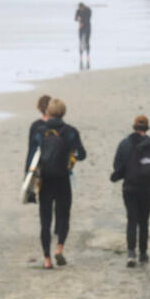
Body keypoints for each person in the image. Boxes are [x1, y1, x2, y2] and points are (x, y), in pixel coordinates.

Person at [110, 115, 150, 268]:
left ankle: (131, 254)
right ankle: (143, 253)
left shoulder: (124, 144)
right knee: (144, 221)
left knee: (131, 219)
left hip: (129, 188)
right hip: (147, 188)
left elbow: (116, 166)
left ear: (134, 127)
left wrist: (122, 173)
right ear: (146, 128)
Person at [33, 98, 86, 269]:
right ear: (63, 112)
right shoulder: (70, 131)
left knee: (45, 220)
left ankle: (47, 259)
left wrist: (28, 181)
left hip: (45, 179)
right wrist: (72, 157)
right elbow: (82, 154)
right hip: (63, 178)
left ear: (47, 112)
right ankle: (59, 248)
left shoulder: (40, 131)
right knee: (63, 216)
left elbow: (32, 157)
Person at [24, 94, 52, 203]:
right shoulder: (59, 125)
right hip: (57, 167)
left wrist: (27, 172)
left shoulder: (35, 126)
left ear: (39, 108)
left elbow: (32, 150)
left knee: (45, 203)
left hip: (41, 167)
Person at [75, 2, 92, 70]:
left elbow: (88, 19)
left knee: (87, 41)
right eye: (79, 8)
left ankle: (88, 55)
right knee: (81, 42)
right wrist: (77, 19)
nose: (80, 9)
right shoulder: (78, 10)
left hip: (87, 27)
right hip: (81, 28)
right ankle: (81, 56)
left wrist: (82, 22)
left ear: (83, 7)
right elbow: (75, 18)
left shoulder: (88, 10)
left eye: (81, 8)